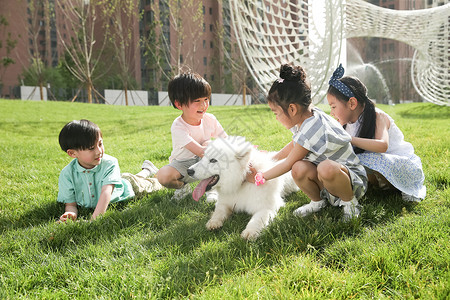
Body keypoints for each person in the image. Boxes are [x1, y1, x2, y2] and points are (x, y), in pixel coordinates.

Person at [247, 64, 368, 221]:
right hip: (328, 180)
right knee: (299, 168)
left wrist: (260, 176)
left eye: (276, 113)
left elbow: (287, 163)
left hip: (352, 182)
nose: (276, 118)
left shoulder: (312, 128)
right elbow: (293, 146)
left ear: (292, 109)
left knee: (324, 168)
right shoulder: (306, 119)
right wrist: (272, 158)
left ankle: (351, 203)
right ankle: (318, 202)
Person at [327, 64, 426, 202]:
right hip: (381, 167)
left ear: (352, 103)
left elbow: (382, 146)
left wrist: (349, 139)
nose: (331, 112)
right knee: (348, 160)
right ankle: (381, 186)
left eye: (333, 107)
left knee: (362, 160)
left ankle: (402, 186)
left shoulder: (377, 116)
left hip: (403, 166)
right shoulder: (345, 123)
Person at [57, 119, 163, 222]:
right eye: (91, 148)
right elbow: (71, 204)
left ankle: (157, 173)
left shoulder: (109, 163)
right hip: (119, 178)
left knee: (158, 183)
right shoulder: (67, 174)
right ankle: (147, 170)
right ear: (72, 153)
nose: (99, 151)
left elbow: (106, 192)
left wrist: (94, 220)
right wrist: (71, 213)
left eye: (100, 144)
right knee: (134, 177)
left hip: (130, 186)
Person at [156, 70, 227, 201]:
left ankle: (211, 188)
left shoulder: (210, 119)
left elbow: (226, 140)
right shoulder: (178, 126)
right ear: (179, 104)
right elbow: (200, 151)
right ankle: (183, 187)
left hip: (205, 161)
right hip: (184, 164)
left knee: (211, 145)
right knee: (163, 176)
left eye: (206, 99)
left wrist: (244, 151)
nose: (204, 105)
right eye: (197, 101)